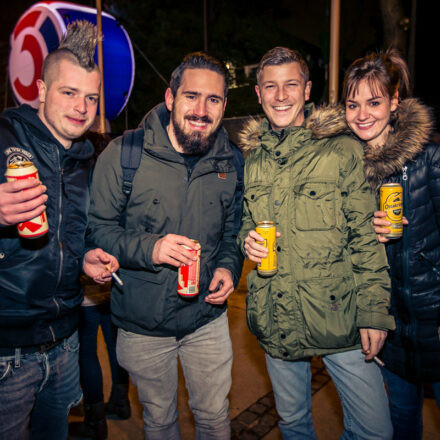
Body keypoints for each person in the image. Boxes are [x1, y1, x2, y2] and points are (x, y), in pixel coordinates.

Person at [237, 46, 395, 440]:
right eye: (270, 86)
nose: (280, 95)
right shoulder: (251, 158)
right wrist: (247, 242)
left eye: (290, 84)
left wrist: (374, 312)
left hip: (339, 314)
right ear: (257, 94)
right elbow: (243, 222)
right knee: (293, 425)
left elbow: (365, 237)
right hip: (277, 315)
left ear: (307, 90)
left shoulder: (342, 149)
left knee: (374, 431)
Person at [87, 52, 244, 439]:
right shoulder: (124, 155)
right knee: (159, 420)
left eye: (214, 100)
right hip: (143, 325)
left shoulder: (232, 161)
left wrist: (228, 267)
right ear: (170, 98)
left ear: (225, 105)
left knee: (214, 417)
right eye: (191, 96)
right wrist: (151, 249)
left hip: (206, 320)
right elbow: (96, 232)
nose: (201, 110)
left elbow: (233, 232)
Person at [0, 21, 118, 440]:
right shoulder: (5, 137)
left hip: (66, 341)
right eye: (69, 93)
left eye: (90, 97)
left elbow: (72, 236)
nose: (82, 107)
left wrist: (87, 256)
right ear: (40, 90)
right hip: (7, 351)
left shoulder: (86, 159)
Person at [341, 49, 440, 440]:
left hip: (434, 323)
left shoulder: (429, 159)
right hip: (390, 332)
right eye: (353, 104)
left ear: (394, 102)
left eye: (374, 102)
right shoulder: (346, 171)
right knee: (402, 424)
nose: (362, 114)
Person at [69, 133, 130, 440]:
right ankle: (121, 402)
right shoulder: (119, 186)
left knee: (87, 353)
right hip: (117, 282)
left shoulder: (81, 188)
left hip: (90, 284)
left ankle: (96, 421)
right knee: (116, 346)